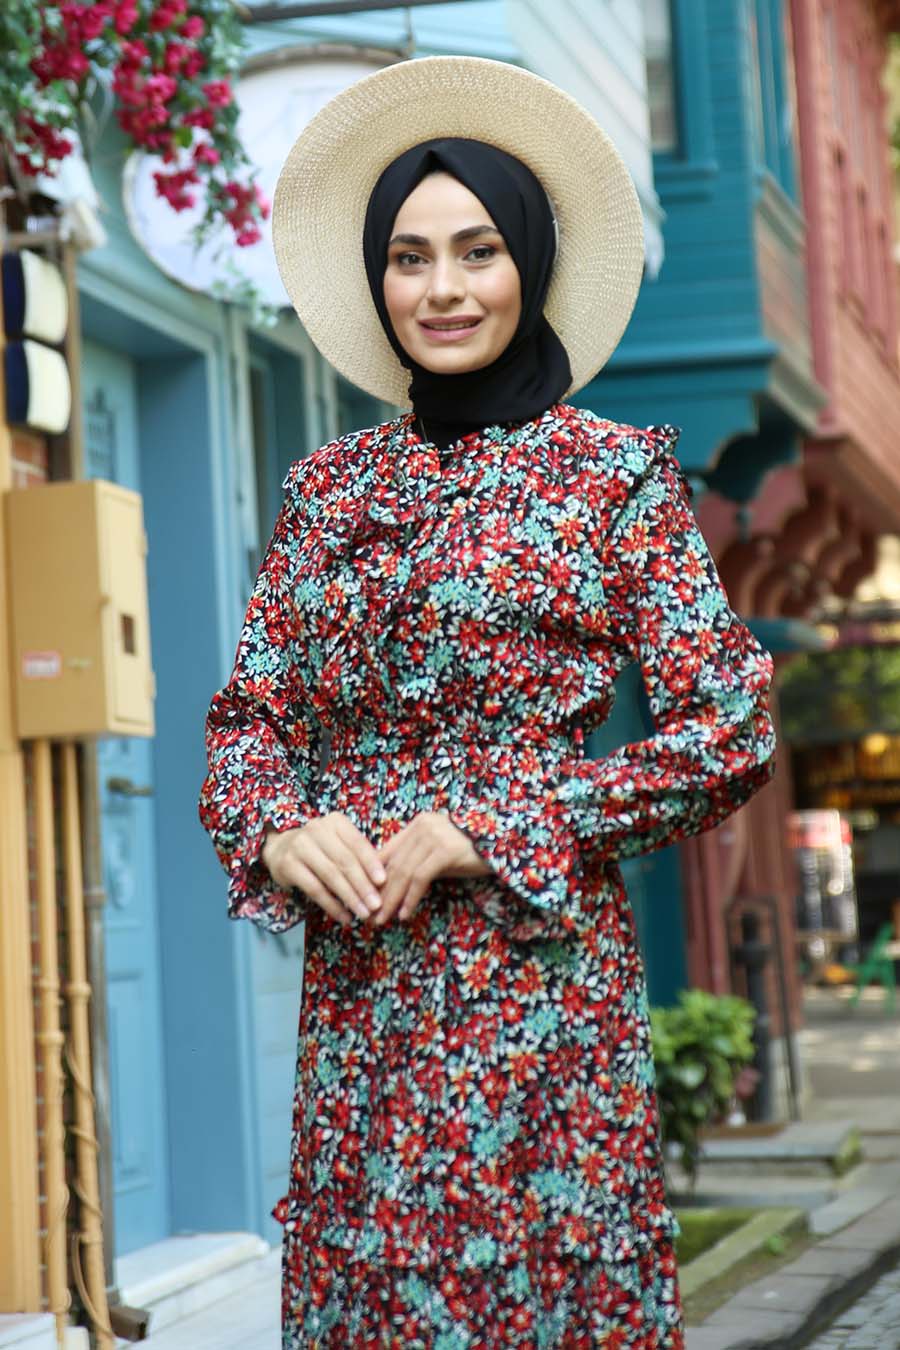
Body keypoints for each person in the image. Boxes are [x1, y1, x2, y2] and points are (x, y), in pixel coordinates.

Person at [199, 55, 777, 1349]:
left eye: (475, 251)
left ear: (527, 262)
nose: (443, 288)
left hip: (544, 1013)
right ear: (375, 278)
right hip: (364, 1012)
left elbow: (728, 727)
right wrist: (279, 827)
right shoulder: (326, 493)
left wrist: (497, 819)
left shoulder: (610, 478)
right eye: (408, 257)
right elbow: (249, 724)